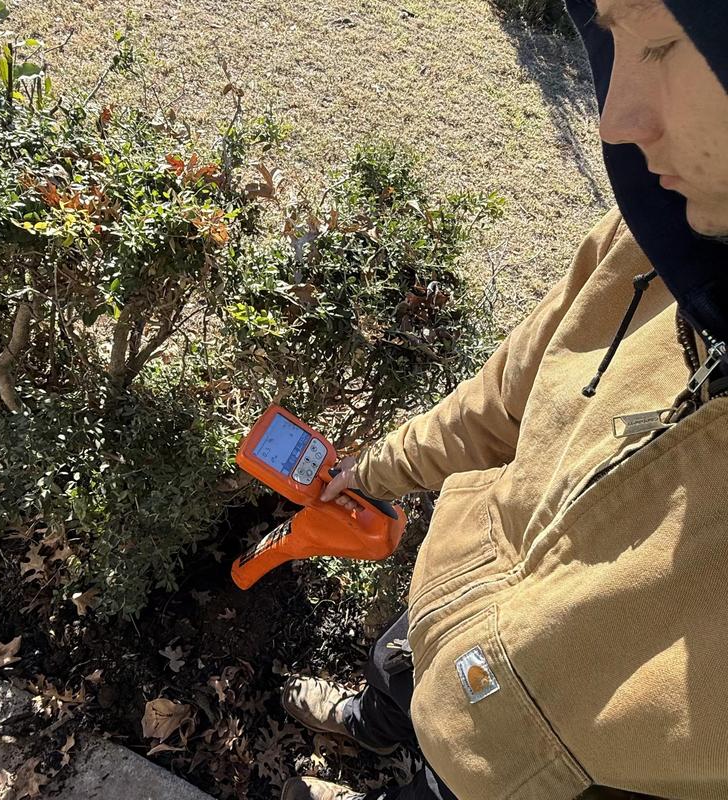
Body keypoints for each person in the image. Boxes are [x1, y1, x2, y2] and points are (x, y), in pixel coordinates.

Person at [278, 0, 728, 798]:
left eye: (663, 45)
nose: (614, 119)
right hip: (456, 604)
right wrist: (371, 471)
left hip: (527, 780)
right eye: (611, 37)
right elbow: (499, 401)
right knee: (395, 672)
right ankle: (368, 724)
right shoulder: (649, 235)